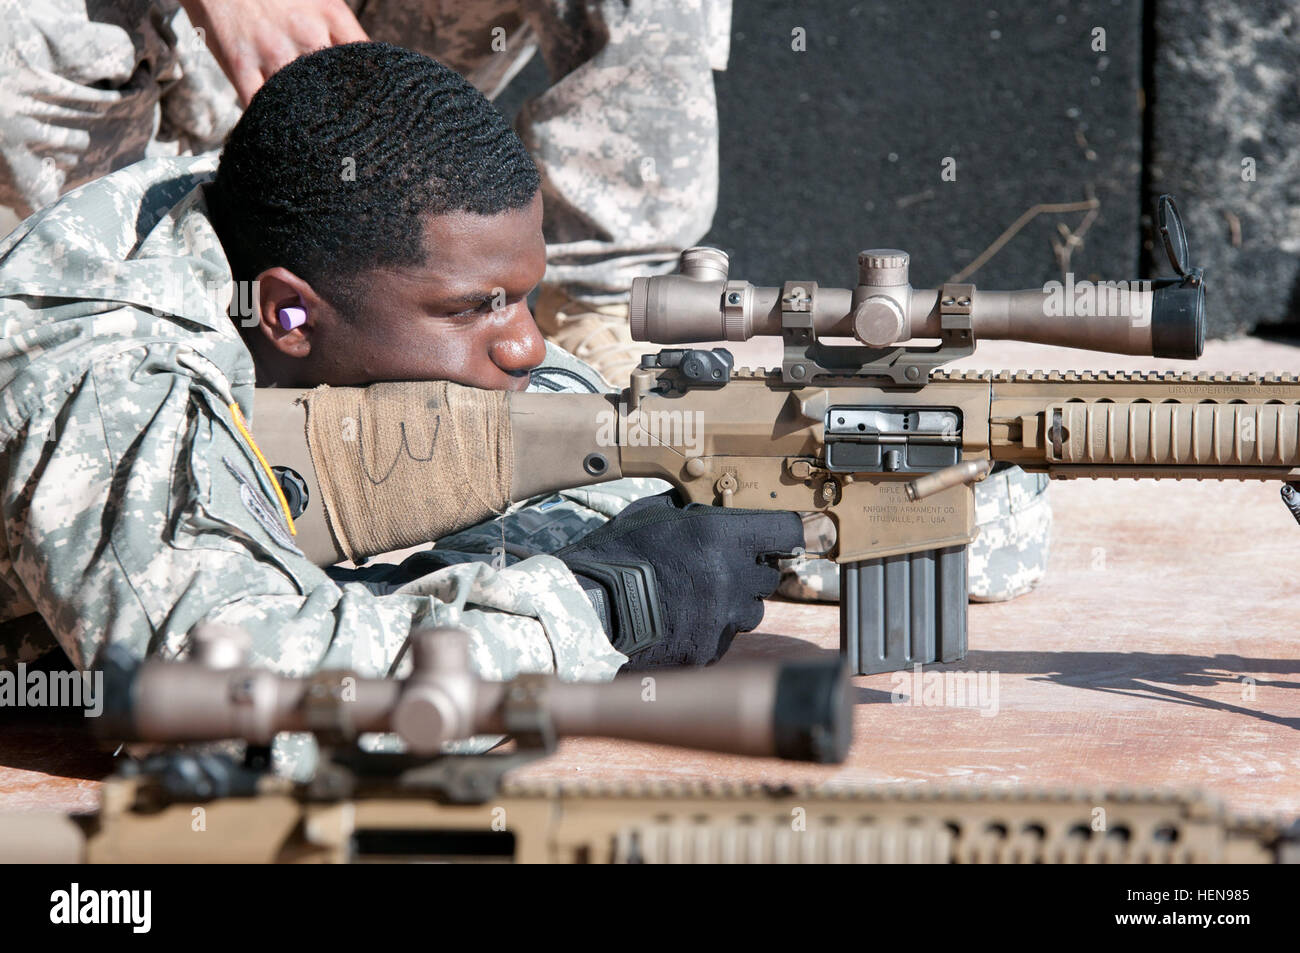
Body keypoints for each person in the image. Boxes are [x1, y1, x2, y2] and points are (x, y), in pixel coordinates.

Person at [0, 43, 797, 774]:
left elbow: (584, 442)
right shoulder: (108, 377)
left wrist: (708, 469)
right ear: (288, 314)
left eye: (526, 297)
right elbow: (226, 709)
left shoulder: (326, 224)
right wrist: (600, 606)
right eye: (472, 309)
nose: (525, 344)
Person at [0, 0, 732, 386]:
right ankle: (73, 304)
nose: (523, 344)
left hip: (370, 84)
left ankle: (596, 304)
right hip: (153, 81)